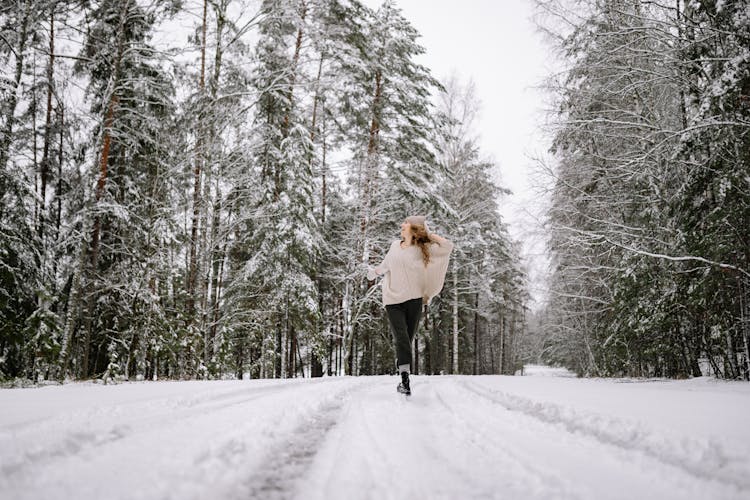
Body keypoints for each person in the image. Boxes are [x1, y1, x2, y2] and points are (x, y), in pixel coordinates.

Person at [367, 215, 454, 396]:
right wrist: (374, 272)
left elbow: (447, 247)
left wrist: (429, 234)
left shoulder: (423, 249)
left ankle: (403, 372)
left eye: (406, 223)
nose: (402, 224)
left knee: (407, 338)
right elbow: (386, 265)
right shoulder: (394, 246)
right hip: (392, 300)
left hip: (414, 300)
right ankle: (405, 380)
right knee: (401, 337)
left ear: (415, 228)